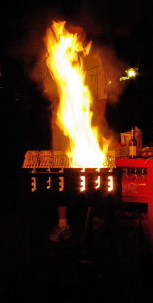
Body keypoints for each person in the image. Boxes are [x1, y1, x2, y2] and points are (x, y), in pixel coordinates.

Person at [44, 23, 108, 243]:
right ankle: (62, 225)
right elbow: (48, 90)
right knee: (62, 171)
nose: (77, 38)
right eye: (73, 33)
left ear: (85, 35)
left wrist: (98, 120)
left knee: (92, 172)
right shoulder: (57, 56)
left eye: (81, 34)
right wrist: (63, 96)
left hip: (89, 125)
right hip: (63, 124)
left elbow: (102, 94)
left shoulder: (94, 59)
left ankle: (94, 219)